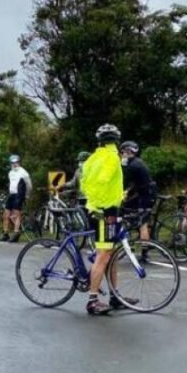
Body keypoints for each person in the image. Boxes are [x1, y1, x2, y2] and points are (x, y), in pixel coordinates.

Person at [80, 124, 125, 315]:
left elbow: (84, 183)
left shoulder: (92, 158)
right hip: (104, 211)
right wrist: (102, 206)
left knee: (110, 253)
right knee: (103, 255)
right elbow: (103, 181)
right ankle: (92, 300)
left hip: (101, 208)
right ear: (116, 141)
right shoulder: (112, 157)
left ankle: (115, 296)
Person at [120, 141, 155, 241]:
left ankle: (144, 252)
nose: (121, 155)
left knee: (142, 223)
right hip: (147, 192)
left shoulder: (132, 165)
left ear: (127, 152)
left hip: (146, 195)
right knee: (139, 217)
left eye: (122, 153)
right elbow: (135, 183)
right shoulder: (137, 161)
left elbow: (124, 182)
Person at [2, 155, 32, 242]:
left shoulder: (23, 172)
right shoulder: (10, 173)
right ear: (10, 164)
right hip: (11, 194)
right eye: (13, 163)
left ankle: (16, 234)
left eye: (16, 162)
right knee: (6, 214)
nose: (15, 164)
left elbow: (29, 185)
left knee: (16, 214)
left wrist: (27, 195)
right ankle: (6, 234)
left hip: (19, 195)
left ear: (19, 162)